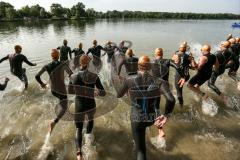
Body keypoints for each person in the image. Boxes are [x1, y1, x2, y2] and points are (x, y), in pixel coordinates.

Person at [117, 56, 171, 160]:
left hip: (137, 119)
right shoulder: (158, 81)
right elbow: (171, 99)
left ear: (138, 66)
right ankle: (159, 132)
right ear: (150, 66)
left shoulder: (129, 80)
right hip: (151, 118)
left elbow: (119, 95)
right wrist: (166, 115)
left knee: (141, 152)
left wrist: (128, 90)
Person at [68, 54, 106, 160]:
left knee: (78, 128)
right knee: (90, 120)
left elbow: (70, 91)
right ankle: (89, 141)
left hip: (79, 105)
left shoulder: (73, 76)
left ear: (80, 63)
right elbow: (103, 93)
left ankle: (79, 153)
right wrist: (96, 92)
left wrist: (73, 83)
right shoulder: (94, 76)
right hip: (90, 104)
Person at [35, 49, 73, 134]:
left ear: (52, 56)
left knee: (61, 102)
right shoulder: (63, 64)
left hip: (53, 90)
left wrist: (42, 84)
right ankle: (54, 122)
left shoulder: (46, 66)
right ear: (58, 56)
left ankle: (59, 108)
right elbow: (71, 74)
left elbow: (37, 76)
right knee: (65, 108)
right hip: (61, 89)